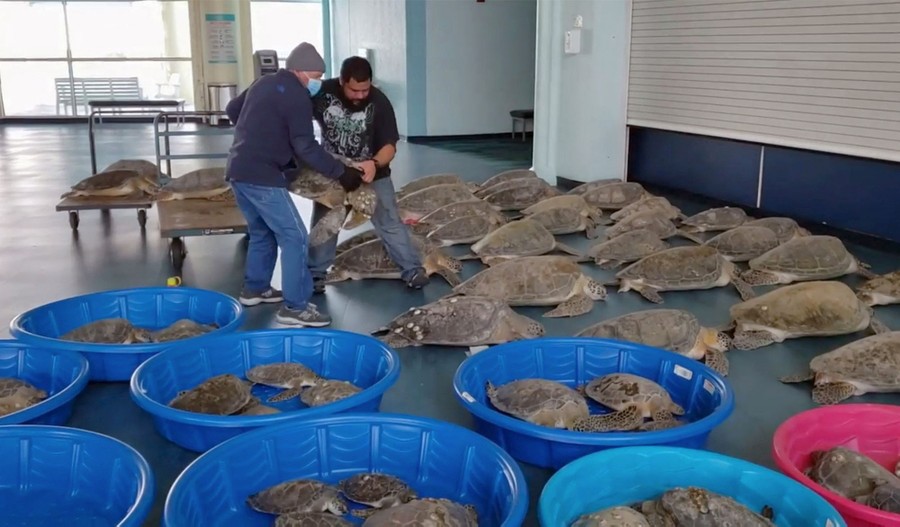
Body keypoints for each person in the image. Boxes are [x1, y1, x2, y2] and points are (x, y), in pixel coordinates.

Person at [224, 42, 364, 327]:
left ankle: (255, 289)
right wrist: (341, 172)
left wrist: (260, 132)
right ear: (300, 71)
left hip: (237, 170)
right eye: (316, 76)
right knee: (295, 236)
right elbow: (306, 147)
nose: (317, 82)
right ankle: (295, 307)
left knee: (262, 232)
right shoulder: (298, 96)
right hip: (262, 176)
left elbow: (232, 109)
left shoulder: (263, 82)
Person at [308, 56, 428, 293]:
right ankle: (315, 275)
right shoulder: (321, 92)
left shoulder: (379, 101)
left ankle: (412, 270)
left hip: (373, 175)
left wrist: (373, 164)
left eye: (365, 89)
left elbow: (390, 145)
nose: (361, 95)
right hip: (333, 173)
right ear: (342, 81)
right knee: (325, 224)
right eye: (355, 90)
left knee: (390, 222)